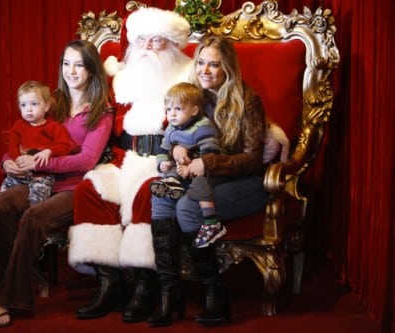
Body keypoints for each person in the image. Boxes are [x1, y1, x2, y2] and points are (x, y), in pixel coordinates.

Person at [0, 39, 113, 328]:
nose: (71, 71)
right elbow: (22, 135)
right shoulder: (52, 102)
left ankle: (8, 299)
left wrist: (41, 162)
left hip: (75, 187)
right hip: (38, 180)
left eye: (79, 64)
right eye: (66, 63)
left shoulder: (102, 111)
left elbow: (87, 160)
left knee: (34, 217)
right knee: (2, 204)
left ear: (92, 69)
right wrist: (7, 162)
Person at [68, 7, 192, 323]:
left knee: (148, 193)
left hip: (164, 162)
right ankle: (109, 282)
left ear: (173, 45)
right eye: (142, 41)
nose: (149, 48)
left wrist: (267, 130)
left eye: (157, 41)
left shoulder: (189, 75)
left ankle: (145, 284)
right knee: (89, 190)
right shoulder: (123, 80)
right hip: (125, 159)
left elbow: (227, 108)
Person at [149, 34, 268, 327]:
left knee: (187, 208)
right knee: (161, 196)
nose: (205, 70)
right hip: (205, 179)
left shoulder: (248, 100)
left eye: (214, 65)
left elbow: (253, 160)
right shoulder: (191, 96)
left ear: (227, 68)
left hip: (245, 183)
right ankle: (169, 290)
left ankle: (215, 291)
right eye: (201, 62)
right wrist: (176, 148)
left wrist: (208, 162)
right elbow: (171, 133)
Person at [150, 82, 227, 248]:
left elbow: (210, 155)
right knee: (168, 170)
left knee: (201, 184)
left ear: (194, 110)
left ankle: (211, 223)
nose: (172, 115)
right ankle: (172, 183)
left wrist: (189, 168)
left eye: (178, 109)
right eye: (169, 110)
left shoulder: (202, 128)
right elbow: (162, 150)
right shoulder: (171, 128)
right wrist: (162, 163)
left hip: (204, 170)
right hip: (181, 169)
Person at [0, 80, 78, 205]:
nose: (28, 109)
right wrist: (15, 162)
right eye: (23, 105)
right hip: (20, 173)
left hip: (42, 176)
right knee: (1, 199)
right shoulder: (18, 126)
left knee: (36, 202)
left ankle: (31, 219)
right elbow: (12, 147)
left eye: (34, 104)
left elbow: (66, 146)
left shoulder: (54, 127)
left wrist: (49, 151)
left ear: (46, 106)